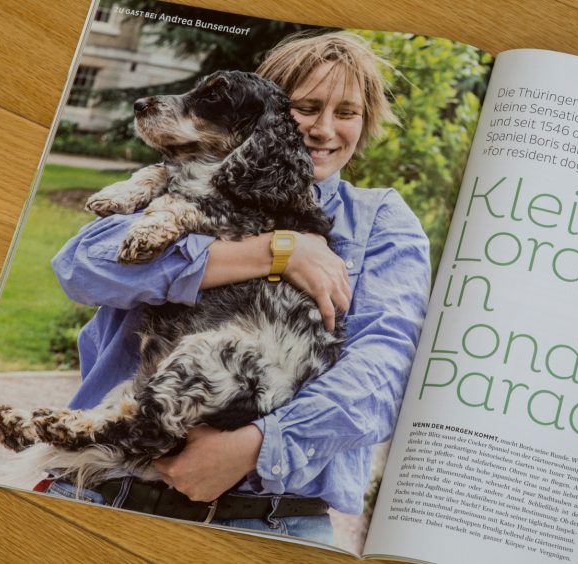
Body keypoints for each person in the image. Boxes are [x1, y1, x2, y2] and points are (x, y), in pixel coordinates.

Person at [47, 31, 431, 544]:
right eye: (306, 107)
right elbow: (80, 267)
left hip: (273, 521)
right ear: (262, 112)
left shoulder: (378, 220)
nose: (323, 129)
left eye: (347, 113)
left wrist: (256, 444)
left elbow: (385, 371)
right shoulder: (177, 180)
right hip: (104, 490)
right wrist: (276, 252)